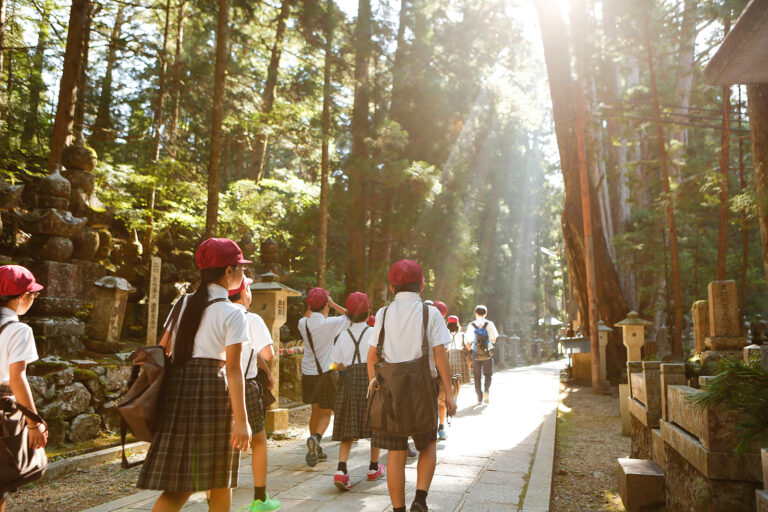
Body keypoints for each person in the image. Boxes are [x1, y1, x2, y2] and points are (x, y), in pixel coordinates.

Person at [138, 238, 252, 512]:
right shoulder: (233, 312)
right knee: (220, 480)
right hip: (213, 393)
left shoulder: (183, 303)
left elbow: (163, 348)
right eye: (241, 269)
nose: (243, 275)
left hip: (178, 391)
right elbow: (234, 371)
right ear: (228, 272)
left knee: (180, 484)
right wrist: (242, 421)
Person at [367, 260, 456, 512]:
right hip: (422, 388)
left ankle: (398, 509)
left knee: (396, 452)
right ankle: (420, 499)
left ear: (392, 287)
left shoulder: (383, 314)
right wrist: (448, 394)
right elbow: (440, 354)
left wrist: (375, 386)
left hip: (391, 390)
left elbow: (372, 357)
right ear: (422, 285)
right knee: (427, 444)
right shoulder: (431, 313)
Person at [228, 277, 280, 512]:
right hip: (245, 385)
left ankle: (213, 501)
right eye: (248, 288)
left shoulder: (214, 313)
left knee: (220, 445)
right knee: (258, 441)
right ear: (244, 292)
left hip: (216, 385)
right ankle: (260, 499)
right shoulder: (251, 319)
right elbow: (267, 353)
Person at [0, 265, 48, 512]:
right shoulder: (18, 330)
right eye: (33, 294)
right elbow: (17, 378)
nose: (33, 298)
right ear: (22, 296)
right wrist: (34, 422)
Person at [330, 292, 385, 491]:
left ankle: (341, 469)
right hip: (371, 378)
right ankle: (373, 467)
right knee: (375, 423)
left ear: (348, 314)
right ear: (368, 312)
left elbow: (336, 363)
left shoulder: (343, 334)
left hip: (350, 380)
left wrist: (346, 368)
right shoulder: (373, 333)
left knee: (348, 424)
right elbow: (381, 356)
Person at [298, 287, 348, 467]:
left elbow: (307, 315)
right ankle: (316, 438)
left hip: (308, 373)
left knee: (315, 411)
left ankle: (316, 450)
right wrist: (332, 303)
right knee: (327, 413)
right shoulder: (331, 323)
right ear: (326, 305)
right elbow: (352, 315)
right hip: (326, 374)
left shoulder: (302, 323)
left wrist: (316, 303)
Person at [465, 305, 499, 404]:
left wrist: (471, 350)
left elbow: (467, 341)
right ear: (486, 313)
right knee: (488, 375)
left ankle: (479, 398)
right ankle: (486, 392)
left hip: (476, 354)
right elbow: (494, 339)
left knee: (476, 377)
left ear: (475, 313)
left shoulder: (471, 325)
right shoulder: (490, 324)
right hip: (487, 353)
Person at [432, 301, 450, 441]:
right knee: (442, 400)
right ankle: (441, 427)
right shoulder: (443, 326)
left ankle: (430, 426)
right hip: (440, 368)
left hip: (426, 368)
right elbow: (445, 350)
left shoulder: (423, 322)